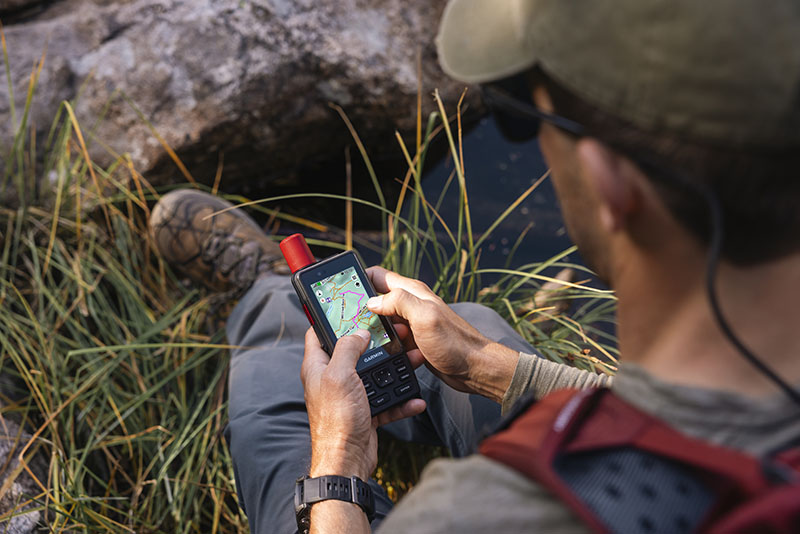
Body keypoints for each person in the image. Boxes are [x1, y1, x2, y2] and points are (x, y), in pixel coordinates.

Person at [149, 0, 800, 532]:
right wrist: (485, 365)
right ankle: (288, 299)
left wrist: (339, 464)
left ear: (610, 184)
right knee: (472, 324)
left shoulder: (475, 517)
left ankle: (267, 301)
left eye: (526, 116)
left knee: (280, 400)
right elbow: (687, 429)